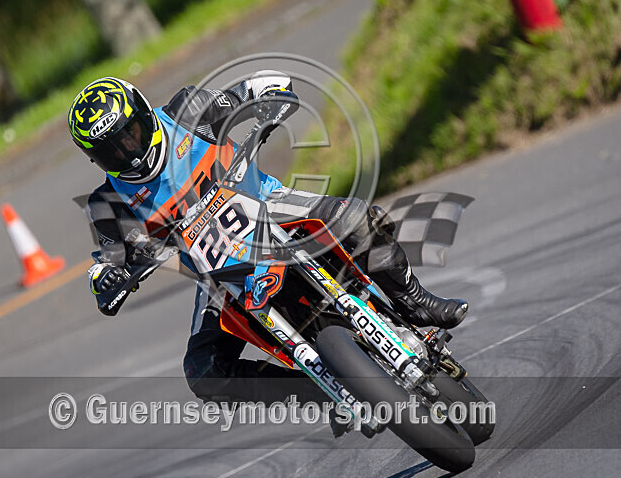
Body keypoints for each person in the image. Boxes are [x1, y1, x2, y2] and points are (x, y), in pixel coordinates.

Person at [68, 73, 468, 410]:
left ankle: (414, 302)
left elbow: (253, 88)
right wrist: (105, 278)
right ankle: (323, 391)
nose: (128, 151)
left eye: (131, 135)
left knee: (355, 216)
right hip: (222, 277)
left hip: (273, 209)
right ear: (95, 159)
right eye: (112, 150)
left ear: (144, 114)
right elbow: (107, 260)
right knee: (204, 373)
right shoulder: (108, 203)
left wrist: (271, 95)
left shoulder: (187, 111)